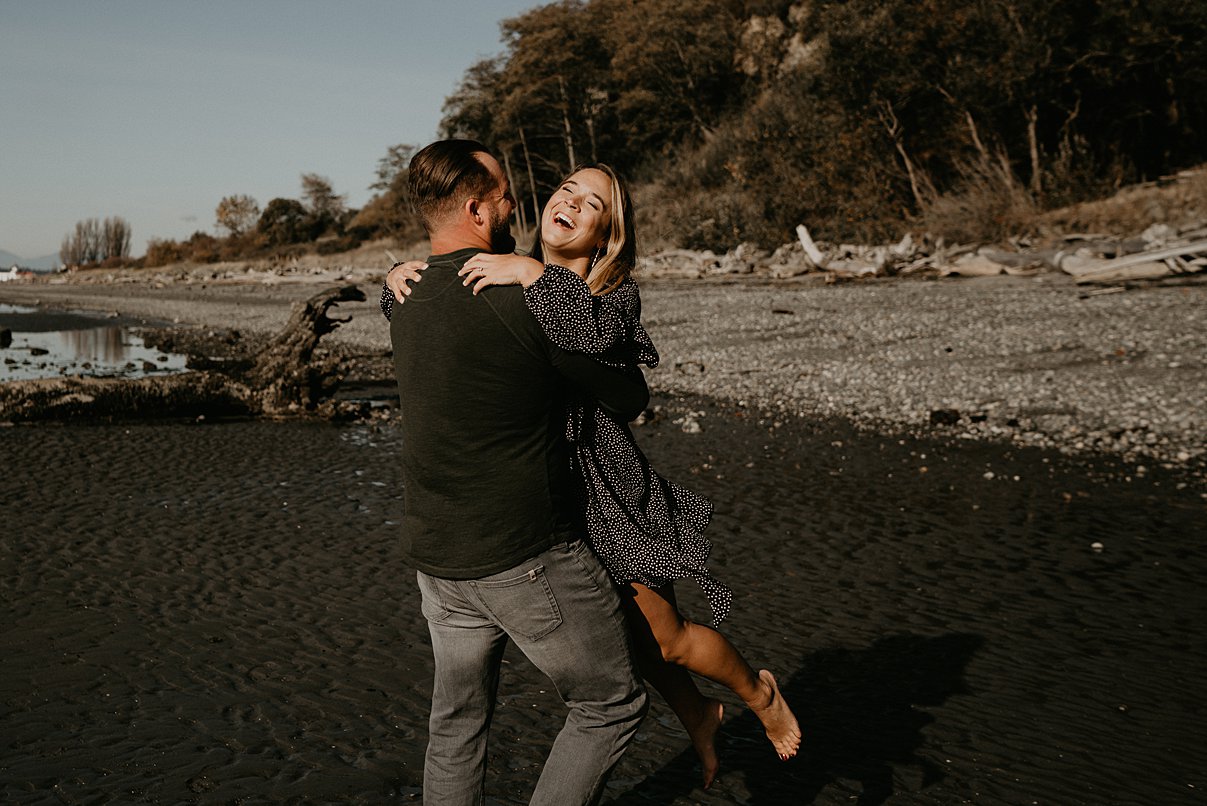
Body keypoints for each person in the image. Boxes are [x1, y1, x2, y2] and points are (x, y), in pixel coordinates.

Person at [385, 162, 801, 787]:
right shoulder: (507, 266)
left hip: (605, 490)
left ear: (607, 234)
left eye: (594, 205)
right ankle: (699, 711)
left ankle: (758, 693)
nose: (572, 205)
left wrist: (538, 278)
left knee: (667, 639)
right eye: (566, 192)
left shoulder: (610, 292)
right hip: (550, 488)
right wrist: (393, 281)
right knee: (627, 635)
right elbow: (454, 301)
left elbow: (602, 350)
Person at [387, 140, 649, 806]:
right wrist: (543, 287)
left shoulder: (409, 292)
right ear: (476, 209)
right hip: (521, 553)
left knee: (455, 725)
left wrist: (388, 275)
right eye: (504, 193)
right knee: (608, 704)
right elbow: (625, 397)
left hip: (435, 560)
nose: (516, 201)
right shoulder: (522, 296)